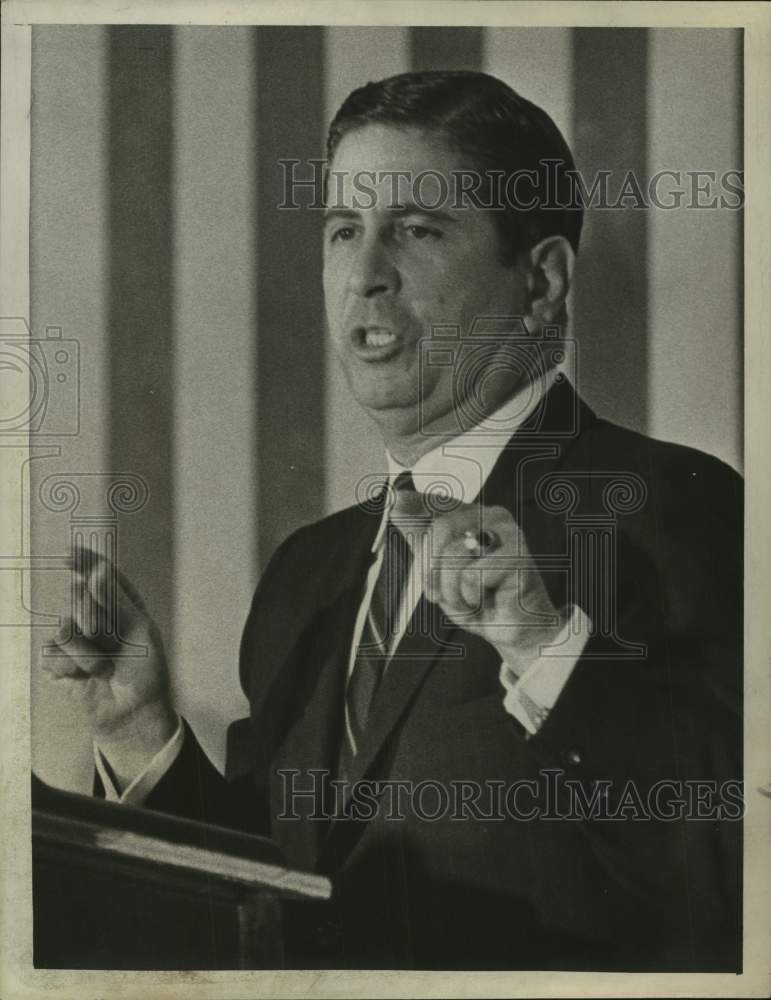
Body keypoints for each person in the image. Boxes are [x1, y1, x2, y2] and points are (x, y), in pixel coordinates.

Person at [35, 71, 742, 970]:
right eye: (342, 231)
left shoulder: (676, 505)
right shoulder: (306, 576)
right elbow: (278, 899)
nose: (363, 275)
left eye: (415, 229)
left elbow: (735, 870)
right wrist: (140, 731)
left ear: (540, 280)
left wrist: (542, 646)